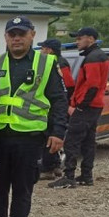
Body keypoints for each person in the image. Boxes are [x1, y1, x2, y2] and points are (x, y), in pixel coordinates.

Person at [0, 16, 68, 217]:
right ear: (6, 37)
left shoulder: (47, 63)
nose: (16, 38)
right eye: (12, 34)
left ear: (32, 35)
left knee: (22, 190)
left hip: (29, 138)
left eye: (21, 33)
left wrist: (58, 132)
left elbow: (60, 100)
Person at [49, 28, 109, 188]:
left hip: (87, 107)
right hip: (95, 106)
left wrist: (79, 106)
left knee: (71, 142)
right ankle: (86, 176)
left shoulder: (93, 58)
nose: (77, 42)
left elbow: (92, 85)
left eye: (79, 39)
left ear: (90, 39)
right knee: (88, 142)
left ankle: (69, 177)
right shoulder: (98, 56)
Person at [38, 38, 75, 180]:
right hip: (52, 106)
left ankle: (49, 168)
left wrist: (67, 105)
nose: (41, 51)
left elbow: (68, 86)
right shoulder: (51, 62)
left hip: (56, 106)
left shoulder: (58, 63)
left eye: (43, 48)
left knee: (50, 136)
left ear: (49, 50)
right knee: (49, 137)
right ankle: (55, 165)